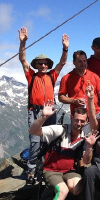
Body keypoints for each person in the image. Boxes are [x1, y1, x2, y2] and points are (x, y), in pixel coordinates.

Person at [29, 102, 98, 200]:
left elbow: (87, 161)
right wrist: (43, 117)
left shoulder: (84, 136)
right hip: (51, 170)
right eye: (77, 119)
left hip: (69, 170)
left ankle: (59, 192)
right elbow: (34, 131)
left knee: (76, 188)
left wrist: (89, 147)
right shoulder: (59, 130)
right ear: (71, 117)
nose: (78, 123)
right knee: (63, 190)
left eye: (82, 121)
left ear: (86, 122)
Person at [18, 27, 69, 183]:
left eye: (45, 64)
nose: (43, 66)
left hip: (50, 112)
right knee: (35, 141)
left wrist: (65, 48)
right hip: (35, 112)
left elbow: (62, 62)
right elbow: (22, 60)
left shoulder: (52, 76)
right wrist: (23, 43)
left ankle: (45, 165)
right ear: (36, 64)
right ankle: (31, 170)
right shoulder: (31, 75)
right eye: (40, 63)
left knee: (50, 139)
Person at [58, 50, 100, 117]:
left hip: (95, 113)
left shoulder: (94, 76)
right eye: (80, 61)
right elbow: (61, 97)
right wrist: (74, 101)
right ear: (74, 62)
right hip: (78, 117)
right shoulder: (66, 78)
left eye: (84, 61)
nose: (83, 63)